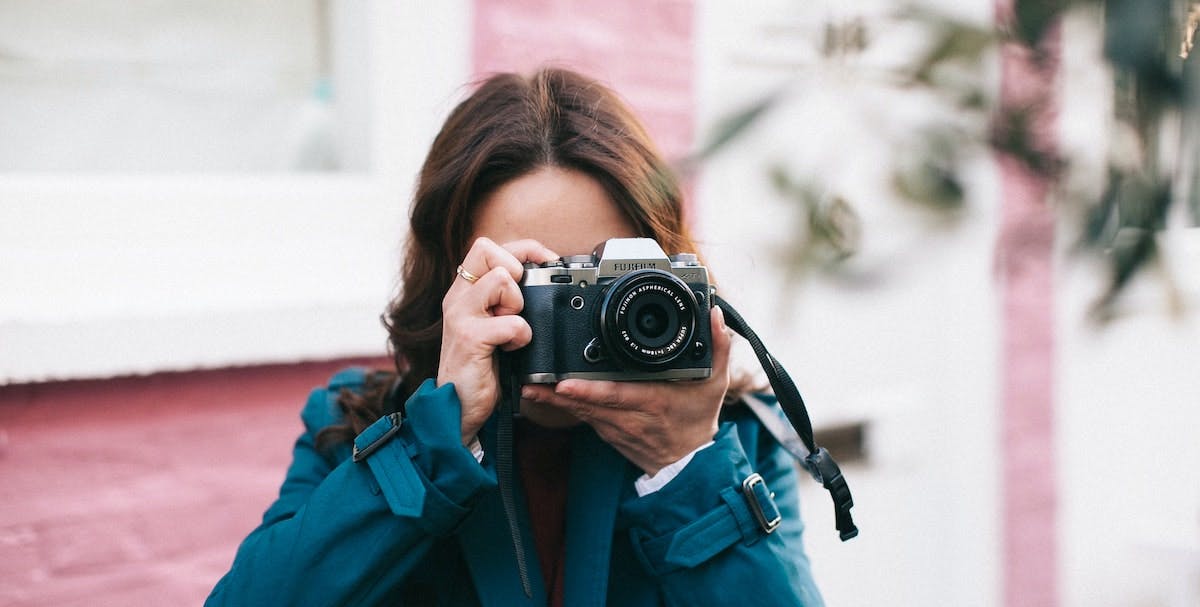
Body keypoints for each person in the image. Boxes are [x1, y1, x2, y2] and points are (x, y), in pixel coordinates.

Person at [206, 67, 824, 606]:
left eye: (606, 285)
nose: (579, 322)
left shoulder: (735, 433)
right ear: (453, 285)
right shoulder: (359, 424)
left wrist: (685, 465)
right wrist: (433, 444)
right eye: (539, 283)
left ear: (665, 278)